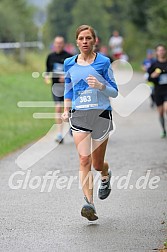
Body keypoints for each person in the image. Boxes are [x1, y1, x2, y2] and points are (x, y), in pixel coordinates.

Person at [61, 25, 118, 221]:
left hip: (101, 114)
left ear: (95, 41)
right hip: (80, 115)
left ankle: (105, 174)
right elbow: (68, 89)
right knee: (84, 160)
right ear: (76, 42)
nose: (85, 41)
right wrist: (67, 108)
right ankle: (89, 204)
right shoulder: (69, 63)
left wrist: (101, 85)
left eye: (88, 38)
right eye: (81, 38)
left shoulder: (103, 62)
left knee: (97, 163)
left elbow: (114, 91)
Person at [45, 36, 72, 143]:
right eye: (57, 43)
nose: (58, 45)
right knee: (58, 108)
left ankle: (73, 127)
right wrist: (46, 77)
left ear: (64, 44)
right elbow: (47, 70)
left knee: (69, 110)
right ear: (54, 44)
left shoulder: (69, 57)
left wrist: (66, 77)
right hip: (56, 87)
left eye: (61, 43)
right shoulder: (50, 57)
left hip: (68, 87)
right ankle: (60, 134)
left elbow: (75, 72)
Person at [148, 44, 167, 138]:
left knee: (166, 108)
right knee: (161, 112)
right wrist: (153, 76)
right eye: (159, 50)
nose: (161, 52)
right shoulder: (154, 65)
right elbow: (149, 78)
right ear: (156, 52)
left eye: (163, 50)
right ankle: (163, 130)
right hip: (158, 91)